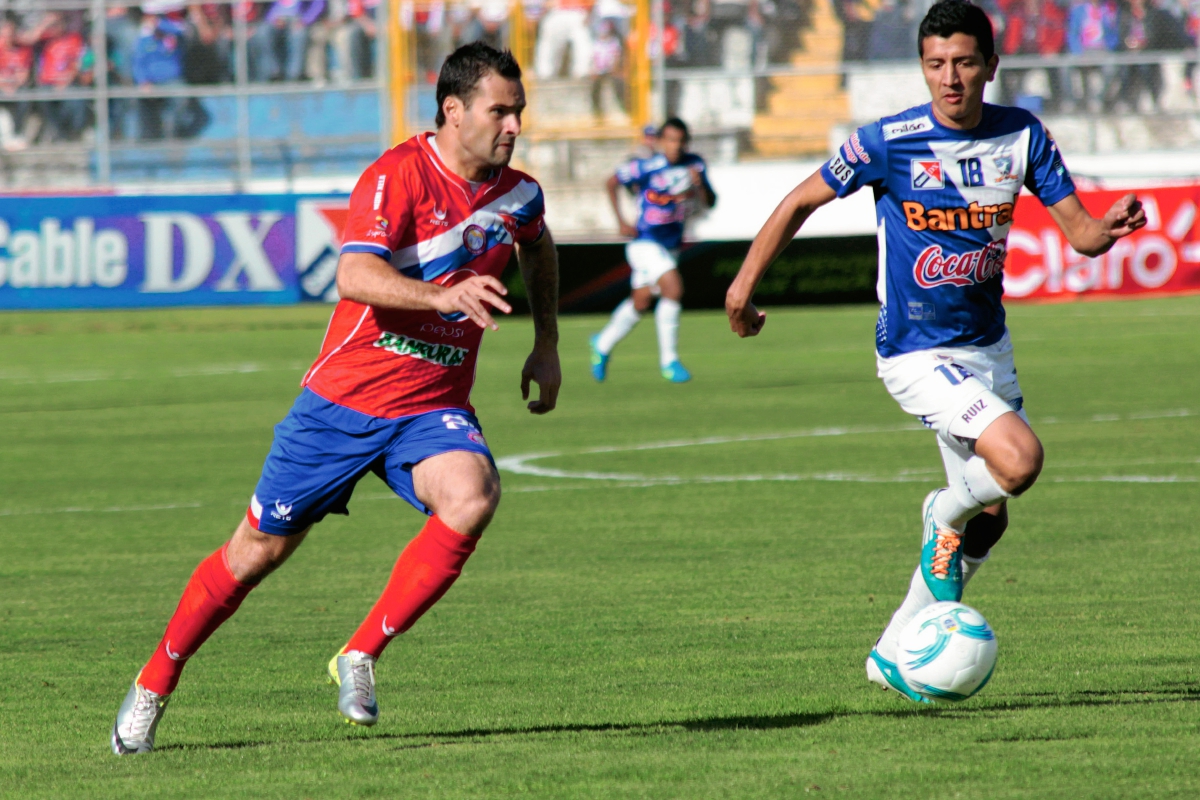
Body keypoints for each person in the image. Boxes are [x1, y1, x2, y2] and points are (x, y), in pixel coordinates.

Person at [111, 41, 562, 754]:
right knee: (254, 553)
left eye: (519, 112)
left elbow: (538, 246)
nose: (513, 126)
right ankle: (154, 681)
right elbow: (354, 276)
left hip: (429, 407)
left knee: (472, 495)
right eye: (499, 111)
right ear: (453, 110)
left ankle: (359, 654)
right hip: (342, 404)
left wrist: (547, 344)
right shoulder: (397, 174)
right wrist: (443, 293)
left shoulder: (520, 194)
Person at [725, 0, 1145, 702]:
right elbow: (801, 200)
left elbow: (1080, 234)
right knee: (1018, 462)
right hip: (916, 351)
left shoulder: (1023, 136)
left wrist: (1111, 226)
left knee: (991, 518)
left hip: (988, 348)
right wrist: (741, 288)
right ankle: (939, 511)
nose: (950, 78)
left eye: (964, 63)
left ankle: (894, 650)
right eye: (936, 64)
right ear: (923, 67)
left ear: (990, 65)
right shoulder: (889, 141)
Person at [591, 118, 716, 383]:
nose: (676, 146)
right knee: (673, 288)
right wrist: (622, 221)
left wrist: (700, 185)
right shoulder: (646, 166)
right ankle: (669, 361)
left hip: (671, 246)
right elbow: (611, 182)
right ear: (660, 142)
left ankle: (602, 344)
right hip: (645, 242)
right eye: (670, 140)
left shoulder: (694, 165)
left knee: (641, 302)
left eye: (681, 141)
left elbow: (711, 202)